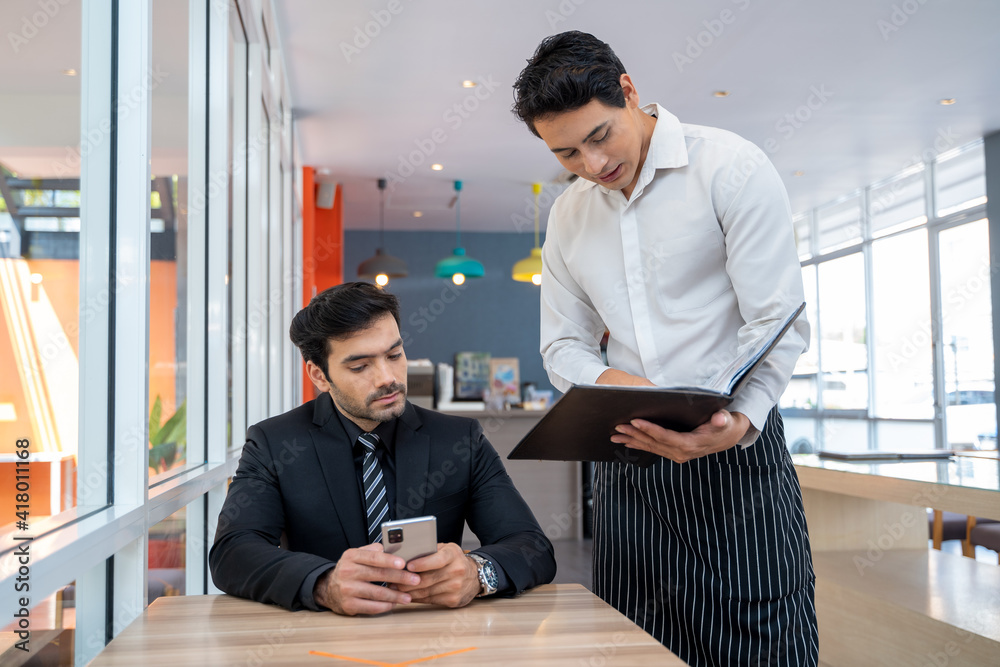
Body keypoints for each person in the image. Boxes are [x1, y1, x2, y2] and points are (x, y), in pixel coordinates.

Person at [512, 31, 818, 667]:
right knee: (635, 643)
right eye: (566, 152)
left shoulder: (729, 167)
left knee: (764, 644)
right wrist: (611, 382)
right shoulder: (569, 216)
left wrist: (738, 423)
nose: (592, 165)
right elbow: (561, 345)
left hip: (739, 456)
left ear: (629, 92)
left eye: (599, 136)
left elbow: (776, 319)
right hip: (628, 461)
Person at [209, 282, 556, 615]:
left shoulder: (459, 439)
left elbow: (532, 546)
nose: (386, 378)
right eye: (360, 366)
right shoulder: (275, 443)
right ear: (319, 375)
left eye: (394, 354)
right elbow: (233, 552)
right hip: (319, 640)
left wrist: (478, 573)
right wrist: (323, 584)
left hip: (434, 634)